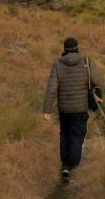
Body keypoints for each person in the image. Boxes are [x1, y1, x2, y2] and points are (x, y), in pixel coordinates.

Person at [43, 37, 101, 180]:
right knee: (77, 136)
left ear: (64, 49)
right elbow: (96, 81)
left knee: (65, 135)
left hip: (64, 110)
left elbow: (51, 89)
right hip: (80, 108)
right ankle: (72, 164)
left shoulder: (57, 65)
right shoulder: (86, 62)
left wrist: (47, 110)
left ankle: (65, 165)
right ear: (77, 47)